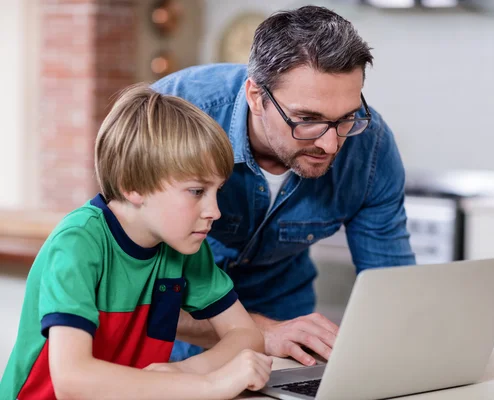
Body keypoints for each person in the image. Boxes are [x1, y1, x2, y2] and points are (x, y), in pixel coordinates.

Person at [153, 5, 416, 367]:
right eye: (308, 120)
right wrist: (258, 332)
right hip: (169, 327)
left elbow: (393, 290)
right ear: (256, 97)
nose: (331, 145)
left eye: (346, 118)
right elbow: (124, 289)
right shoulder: (170, 113)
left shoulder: (370, 147)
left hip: (286, 323)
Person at [0, 84, 272, 400]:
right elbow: (72, 380)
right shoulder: (77, 243)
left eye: (217, 192)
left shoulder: (184, 245)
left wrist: (183, 371)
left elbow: (246, 335)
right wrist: (208, 385)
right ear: (133, 186)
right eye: (197, 192)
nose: (214, 211)